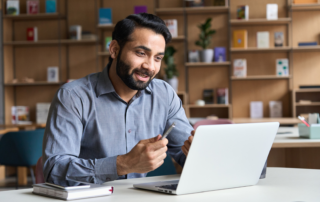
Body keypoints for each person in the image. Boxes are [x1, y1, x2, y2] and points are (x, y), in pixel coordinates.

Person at [42, 13, 195, 186]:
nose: (150, 66)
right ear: (114, 49)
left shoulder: (164, 94)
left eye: (158, 58)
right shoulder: (73, 97)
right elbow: (54, 170)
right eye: (141, 53)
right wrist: (123, 164)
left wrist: (199, 152)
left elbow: (187, 153)